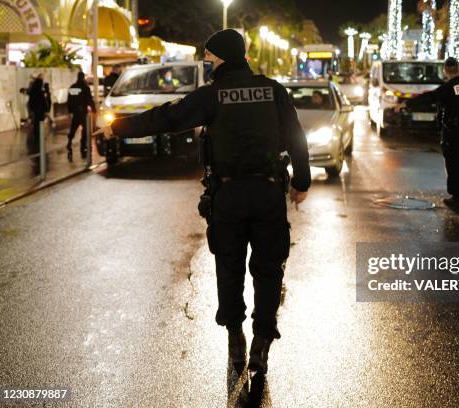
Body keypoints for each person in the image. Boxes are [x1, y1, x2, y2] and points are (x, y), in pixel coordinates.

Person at [94, 29, 311, 374]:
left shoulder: (213, 95)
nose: (207, 62)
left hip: (228, 197)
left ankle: (235, 339)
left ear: (222, 56)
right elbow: (297, 137)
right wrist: (302, 180)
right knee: (269, 270)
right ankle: (261, 343)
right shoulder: (274, 91)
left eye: (209, 56)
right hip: (269, 194)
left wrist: (116, 128)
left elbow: (167, 118)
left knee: (230, 268)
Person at [402, 57, 459, 209]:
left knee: (452, 163)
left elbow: (430, 97)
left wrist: (407, 103)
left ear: (445, 71)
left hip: (452, 130)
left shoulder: (448, 87)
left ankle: (456, 198)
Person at [66, 71, 96, 161]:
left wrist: (70, 111)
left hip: (75, 113)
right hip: (83, 113)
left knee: (73, 129)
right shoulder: (85, 87)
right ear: (83, 77)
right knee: (85, 131)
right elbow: (89, 99)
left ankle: (69, 143)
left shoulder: (73, 87)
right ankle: (83, 146)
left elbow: (69, 100)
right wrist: (94, 109)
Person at [27, 74, 49, 151]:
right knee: (39, 124)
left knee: (36, 124)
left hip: (35, 111)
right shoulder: (40, 92)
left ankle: (36, 136)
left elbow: (30, 102)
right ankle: (38, 138)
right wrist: (46, 110)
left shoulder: (33, 91)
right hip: (40, 111)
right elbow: (44, 102)